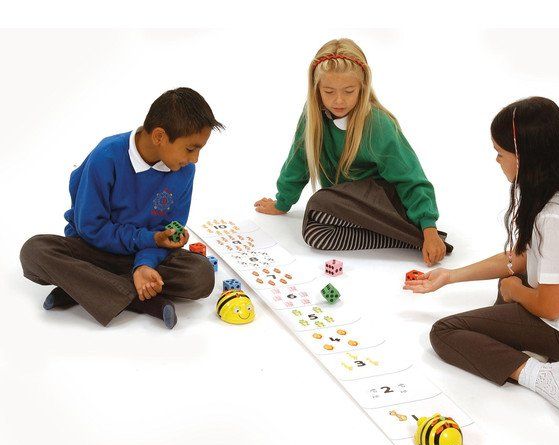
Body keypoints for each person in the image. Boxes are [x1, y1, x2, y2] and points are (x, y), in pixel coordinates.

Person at [404, 97, 559, 424]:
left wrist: (514, 291)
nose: (496, 160)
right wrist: (450, 276)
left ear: (523, 158)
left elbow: (550, 307)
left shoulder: (556, 219)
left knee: (445, 332)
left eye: (500, 153)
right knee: (509, 280)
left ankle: (538, 374)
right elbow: (518, 260)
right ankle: (522, 346)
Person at [20, 87, 224, 329]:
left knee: (201, 274)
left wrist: (145, 264)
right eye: (191, 149)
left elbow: (167, 232)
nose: (195, 159)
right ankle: (143, 301)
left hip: (143, 253)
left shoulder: (184, 171)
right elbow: (91, 228)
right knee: (34, 251)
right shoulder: (106, 156)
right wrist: (150, 239)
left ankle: (82, 290)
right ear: (159, 136)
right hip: (94, 249)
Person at [254, 38, 451, 266]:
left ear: (363, 87)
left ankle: (411, 234)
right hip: (346, 204)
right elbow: (298, 160)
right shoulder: (313, 116)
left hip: (383, 203)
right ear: (316, 89)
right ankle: (401, 238)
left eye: (349, 91)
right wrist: (282, 202)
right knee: (314, 232)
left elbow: (411, 178)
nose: (339, 100)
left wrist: (429, 228)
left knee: (318, 203)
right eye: (329, 91)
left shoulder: (378, 124)